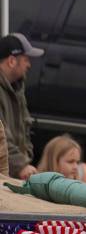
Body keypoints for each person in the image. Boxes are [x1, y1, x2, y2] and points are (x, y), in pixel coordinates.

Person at [0, 33, 44, 179]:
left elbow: (25, 133)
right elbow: (1, 138)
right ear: (12, 61)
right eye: (26, 59)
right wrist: (21, 166)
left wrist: (25, 161)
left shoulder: (17, 90)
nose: (29, 65)